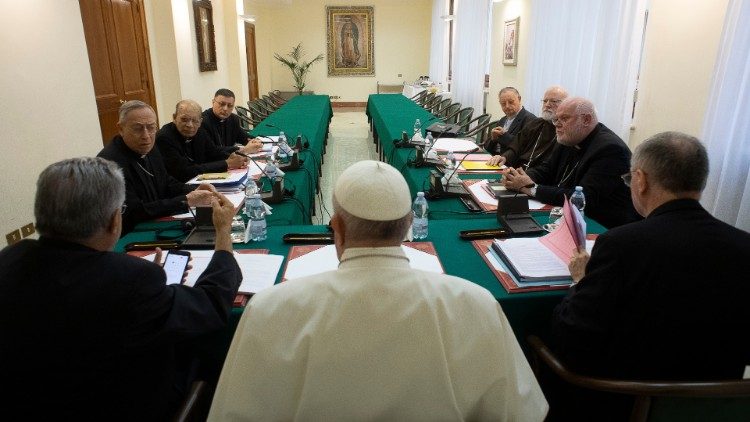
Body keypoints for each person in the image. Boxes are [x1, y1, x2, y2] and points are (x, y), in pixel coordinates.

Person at [208, 160, 548, 421]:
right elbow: (520, 412)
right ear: (408, 226)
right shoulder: (475, 304)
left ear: (337, 229)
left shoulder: (270, 309)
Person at [0, 157, 242, 420]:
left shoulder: (9, 259)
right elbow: (210, 305)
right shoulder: (132, 281)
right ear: (114, 220)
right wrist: (223, 233)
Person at [546, 132, 750, 420]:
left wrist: (581, 281)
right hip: (714, 406)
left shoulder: (620, 244)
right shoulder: (744, 245)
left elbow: (571, 336)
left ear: (640, 180)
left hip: (618, 401)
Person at [503, 97, 640, 228]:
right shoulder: (569, 138)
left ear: (586, 119)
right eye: (556, 119)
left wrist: (531, 188)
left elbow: (583, 198)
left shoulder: (610, 149)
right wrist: (519, 177)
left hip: (602, 225)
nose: (557, 124)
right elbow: (547, 169)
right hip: (567, 214)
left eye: (564, 118)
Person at [98, 100, 215, 234]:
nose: (146, 135)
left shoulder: (150, 148)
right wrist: (186, 200)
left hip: (156, 223)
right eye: (138, 128)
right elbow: (134, 212)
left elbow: (165, 182)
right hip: (129, 233)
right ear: (120, 128)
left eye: (151, 127)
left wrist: (193, 189)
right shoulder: (109, 164)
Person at [157, 99, 249, 182]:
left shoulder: (199, 132)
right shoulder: (164, 137)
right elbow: (184, 172)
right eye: (184, 119)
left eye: (195, 121)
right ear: (174, 118)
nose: (190, 125)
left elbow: (213, 152)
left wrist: (236, 158)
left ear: (200, 122)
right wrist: (227, 163)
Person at [487, 85, 568, 168]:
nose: (547, 105)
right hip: (519, 168)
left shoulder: (567, 131)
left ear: (565, 104)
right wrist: (505, 157)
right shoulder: (536, 123)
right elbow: (518, 145)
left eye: (553, 101)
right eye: (545, 101)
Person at [201, 88, 262, 154]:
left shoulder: (233, 119)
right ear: (213, 102)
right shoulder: (202, 121)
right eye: (222, 104)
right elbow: (211, 150)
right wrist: (243, 150)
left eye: (230, 106)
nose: (225, 109)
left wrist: (255, 141)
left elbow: (243, 137)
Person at [484, 87, 536, 154]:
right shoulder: (502, 120)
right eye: (503, 103)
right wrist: (493, 139)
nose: (507, 106)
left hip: (509, 159)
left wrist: (504, 135)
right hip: (493, 157)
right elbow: (486, 148)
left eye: (511, 102)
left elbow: (525, 148)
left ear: (519, 99)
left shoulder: (530, 120)